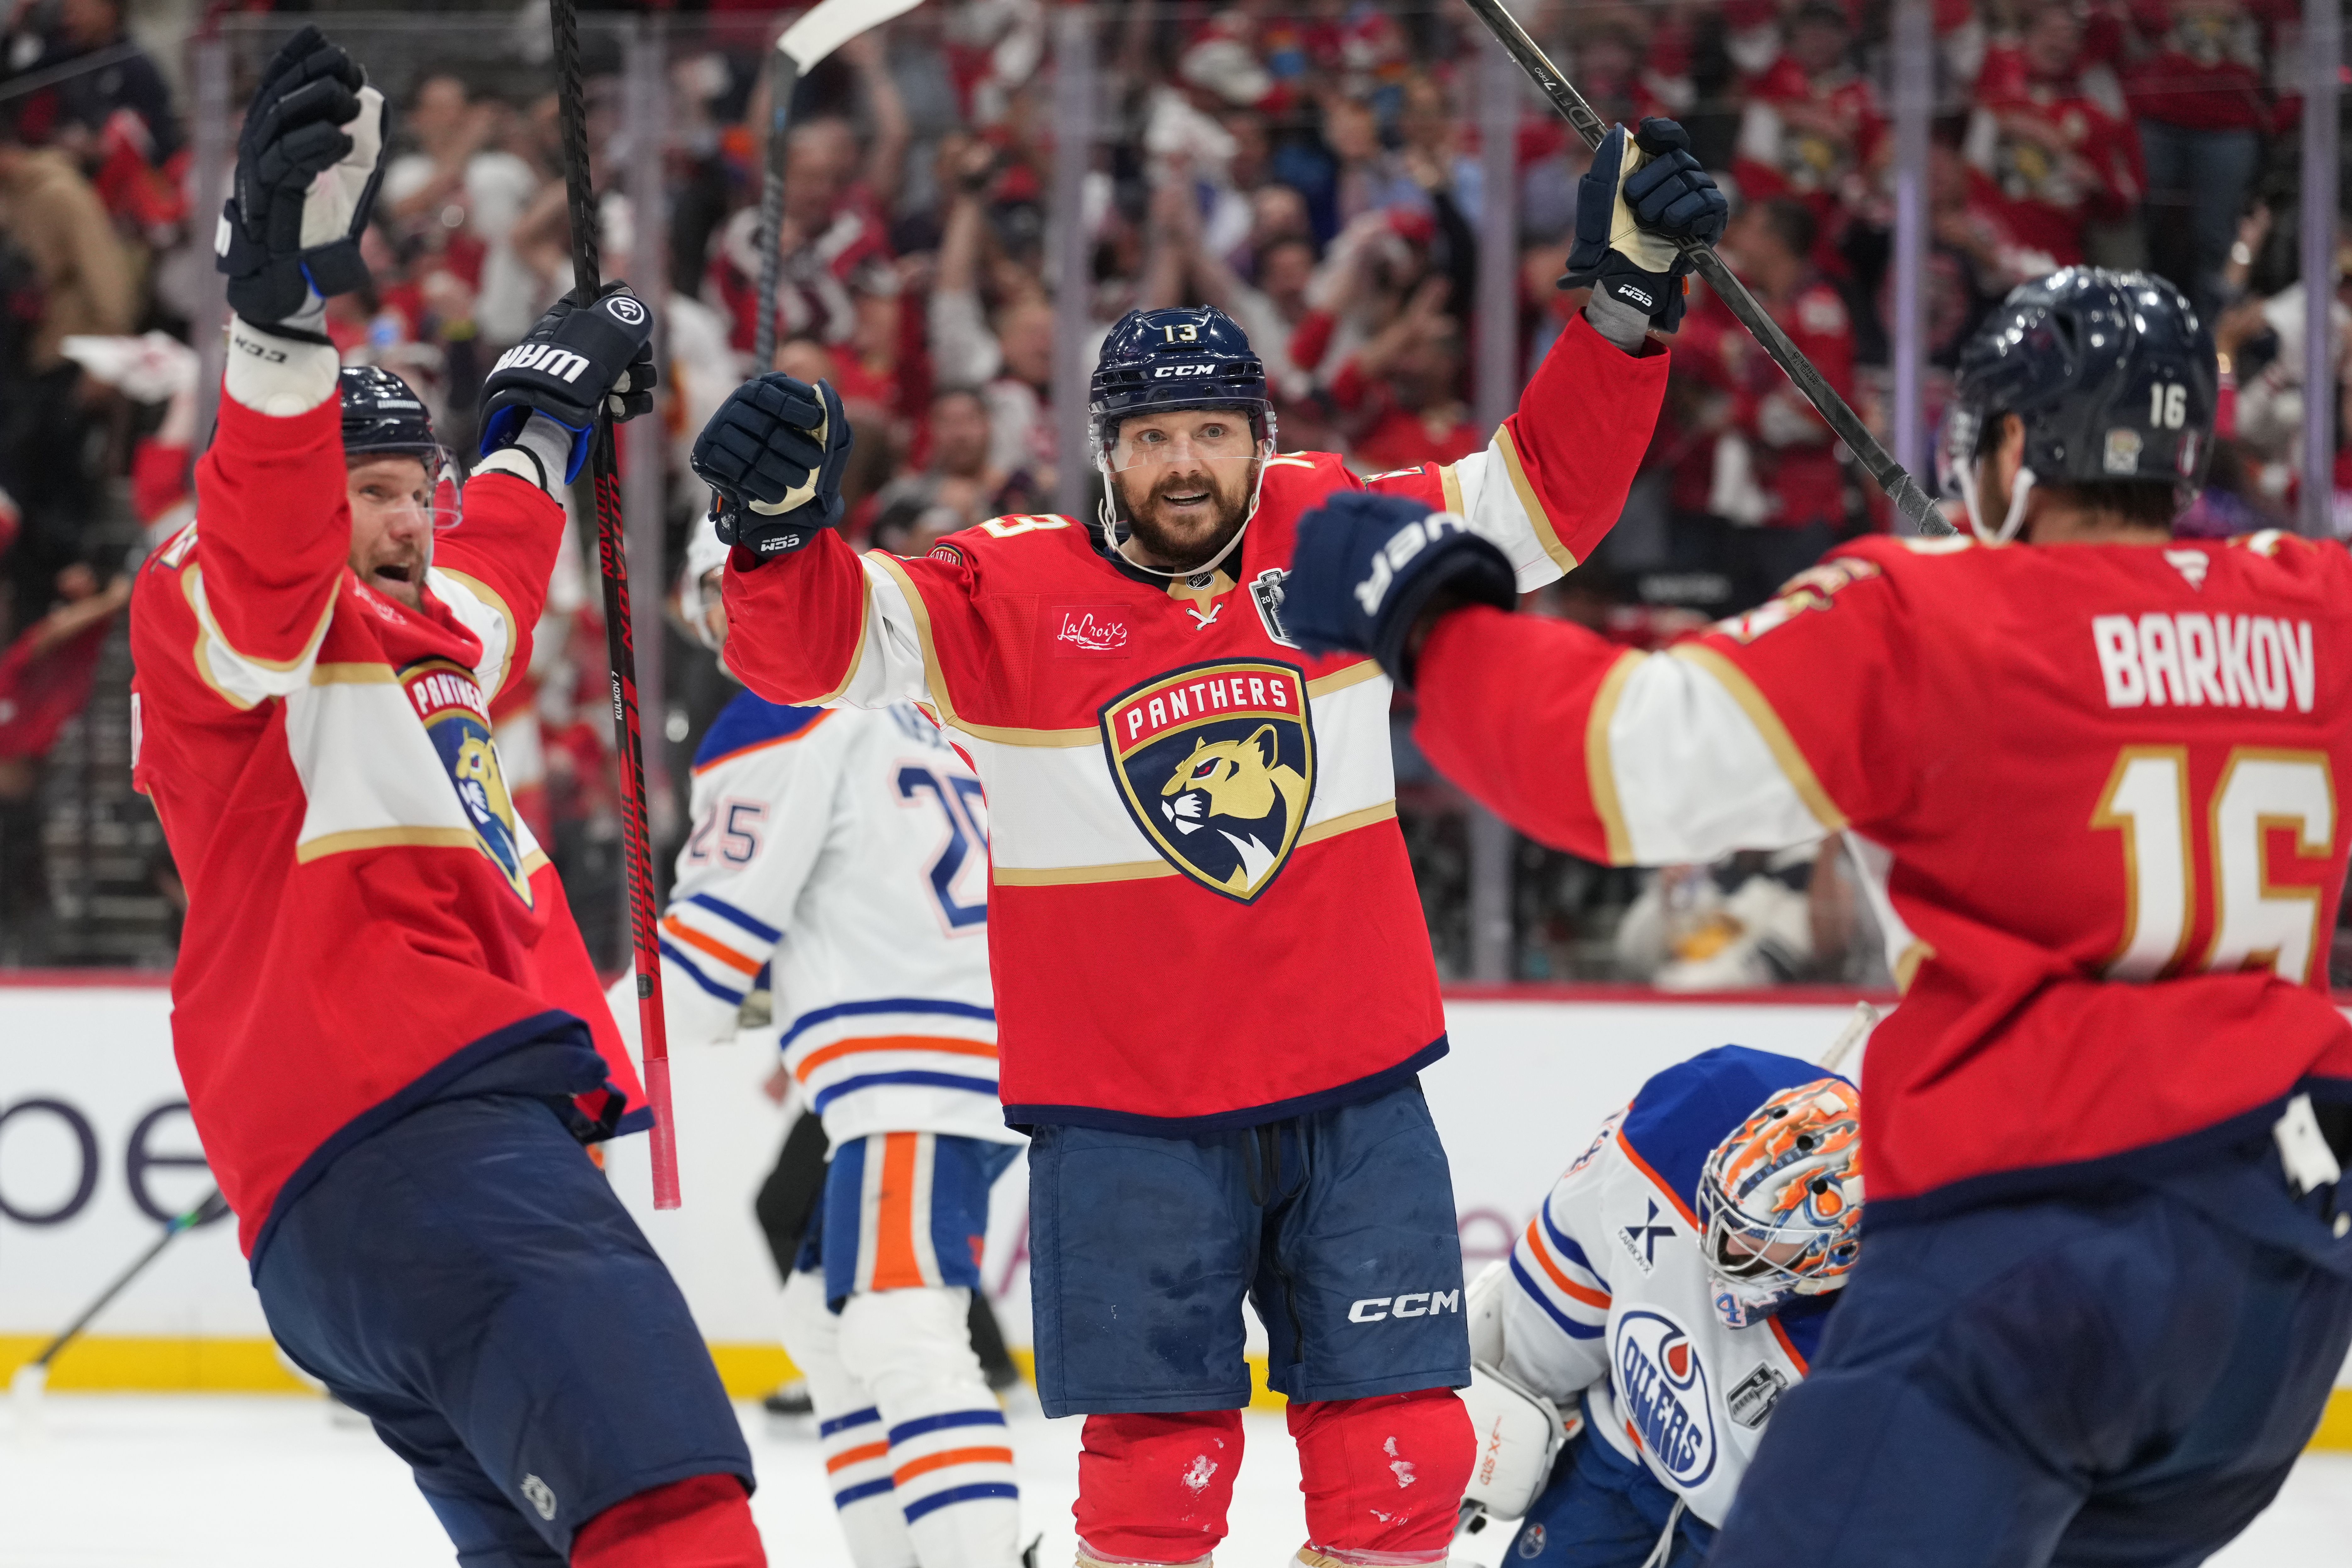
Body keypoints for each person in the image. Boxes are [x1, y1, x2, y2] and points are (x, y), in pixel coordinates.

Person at [692, 117, 1722, 1568]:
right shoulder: (1008, 589)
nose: (1186, 467)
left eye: (1213, 435)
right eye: (1154, 438)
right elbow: (818, 646)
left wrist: (1622, 313)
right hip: (1124, 1119)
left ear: (1262, 436)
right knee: (1154, 1491)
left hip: (1351, 1096)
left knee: (1401, 1459)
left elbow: (1536, 506)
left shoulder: (1340, 537)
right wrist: (774, 531)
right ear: (1104, 452)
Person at [1281, 265, 2352, 1568]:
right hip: (2275, 1298)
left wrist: (1431, 616)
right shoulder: (2316, 603)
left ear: (2010, 444)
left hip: (2030, 1262)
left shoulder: (1927, 616)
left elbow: (1624, 762)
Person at [126, 30, 762, 1566]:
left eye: (413, 484)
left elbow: (494, 557)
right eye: (369, 488)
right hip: (419, 1129)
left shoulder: (428, 624)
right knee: (675, 1515)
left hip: (385, 1185)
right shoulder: (227, 614)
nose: (404, 516)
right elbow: (268, 559)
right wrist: (277, 328)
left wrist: (544, 413)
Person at [645, 524, 1027, 1568]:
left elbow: (705, 955)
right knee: (828, 1328)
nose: (720, 632)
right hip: (979, 1042)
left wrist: (571, 1060)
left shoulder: (778, 711)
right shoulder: (923, 700)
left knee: (903, 1330)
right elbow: (865, 893)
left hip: (911, 1070)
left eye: (720, 603)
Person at [1459, 1047, 1862, 1568]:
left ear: (1834, 1255)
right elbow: (1574, 1260)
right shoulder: (1683, 1122)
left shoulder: (1882, 1332)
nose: (1723, 1246)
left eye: (1757, 1241)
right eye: (1721, 1216)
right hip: (1618, 1451)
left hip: (1742, 1538)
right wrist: (1513, 1388)